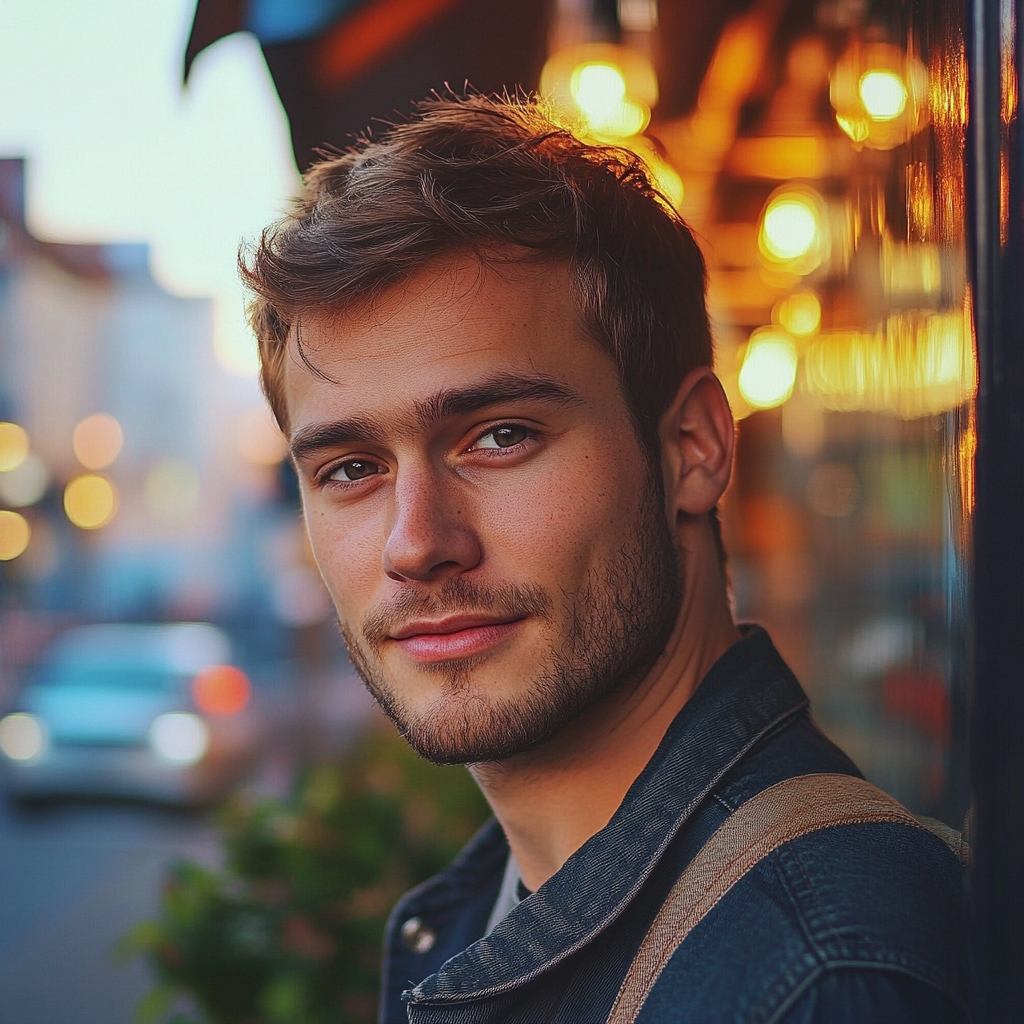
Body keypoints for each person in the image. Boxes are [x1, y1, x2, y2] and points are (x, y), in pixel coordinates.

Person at [241, 94, 967, 1023]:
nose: (416, 542)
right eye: (350, 468)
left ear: (692, 448)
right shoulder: (505, 900)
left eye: (500, 436)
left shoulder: (815, 979)